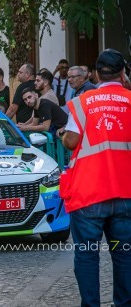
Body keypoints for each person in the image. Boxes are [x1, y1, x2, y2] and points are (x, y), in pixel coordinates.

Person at [61, 49, 131, 307]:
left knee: (87, 256)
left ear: (96, 74)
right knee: (125, 256)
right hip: (126, 193)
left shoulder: (83, 102)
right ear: (123, 74)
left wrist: (62, 136)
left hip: (89, 193)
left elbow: (71, 141)